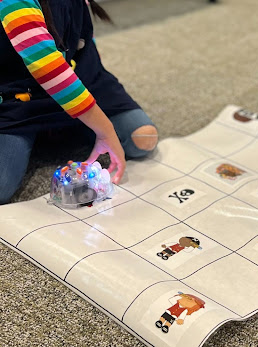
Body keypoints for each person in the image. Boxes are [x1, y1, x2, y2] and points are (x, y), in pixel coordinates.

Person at [0, 0, 158, 204]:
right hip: (20, 99)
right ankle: (46, 133)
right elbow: (48, 67)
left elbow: (81, 39)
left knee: (144, 138)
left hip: (81, 80)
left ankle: (62, 127)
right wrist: (105, 130)